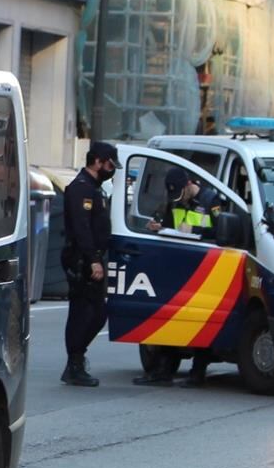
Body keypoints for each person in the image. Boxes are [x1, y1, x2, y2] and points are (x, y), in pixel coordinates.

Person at [134, 171, 216, 386]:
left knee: (200, 320)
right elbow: (171, 228)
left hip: (205, 266)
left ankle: (198, 372)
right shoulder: (175, 201)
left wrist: (196, 230)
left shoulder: (210, 200)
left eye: (181, 193)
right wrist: (159, 227)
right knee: (170, 317)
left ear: (189, 184)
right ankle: (163, 370)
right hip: (179, 264)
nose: (180, 198)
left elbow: (221, 233)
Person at [62, 141, 120, 387]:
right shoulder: (80, 189)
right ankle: (74, 363)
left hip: (92, 258)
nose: (111, 169)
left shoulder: (96, 189)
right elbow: (82, 228)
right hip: (82, 259)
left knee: (96, 313)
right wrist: (93, 260)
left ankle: (76, 359)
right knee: (84, 313)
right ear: (97, 161)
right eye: (109, 164)